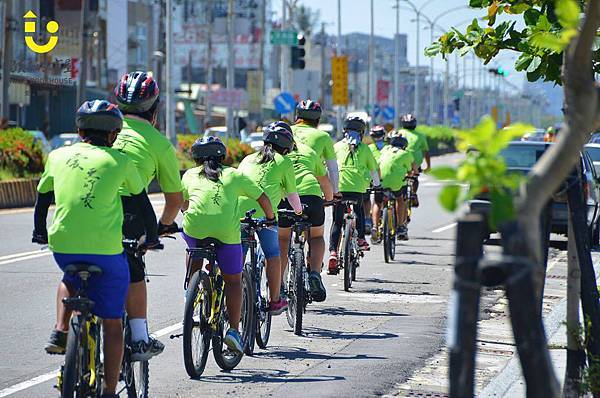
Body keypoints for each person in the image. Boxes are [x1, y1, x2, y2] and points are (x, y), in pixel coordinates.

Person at [32, 100, 159, 398]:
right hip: (106, 251)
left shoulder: (58, 156)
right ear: (114, 134)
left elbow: (41, 201)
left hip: (63, 245)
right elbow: (143, 206)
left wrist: (40, 232)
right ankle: (109, 390)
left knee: (69, 277)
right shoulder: (120, 161)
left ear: (78, 130)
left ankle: (61, 330)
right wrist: (151, 238)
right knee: (113, 321)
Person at [112, 71, 184, 360]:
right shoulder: (159, 143)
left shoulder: (104, 129)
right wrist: (164, 225)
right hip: (131, 214)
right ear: (155, 111)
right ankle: (140, 337)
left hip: (87, 208)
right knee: (134, 270)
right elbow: (175, 199)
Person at [181, 136, 275, 353]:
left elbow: (182, 201)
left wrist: (189, 212)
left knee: (193, 247)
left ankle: (191, 291)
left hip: (195, 230)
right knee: (232, 281)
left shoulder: (189, 175)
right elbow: (262, 198)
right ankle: (233, 331)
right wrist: (271, 219)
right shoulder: (233, 174)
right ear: (222, 156)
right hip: (226, 234)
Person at [238, 121, 302, 314]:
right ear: (286, 146)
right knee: (273, 254)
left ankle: (232, 291)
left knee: (237, 256)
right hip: (265, 216)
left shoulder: (248, 159)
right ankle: (275, 301)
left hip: (238, 213)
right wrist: (299, 211)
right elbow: (292, 196)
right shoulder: (284, 162)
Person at [278, 123, 334, 302]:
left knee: (283, 239)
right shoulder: (308, 151)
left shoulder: (273, 154)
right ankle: (315, 273)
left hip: (285, 197)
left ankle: (278, 284)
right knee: (316, 237)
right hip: (312, 196)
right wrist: (329, 198)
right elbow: (324, 180)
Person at [328, 116, 380, 274]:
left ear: (344, 131)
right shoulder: (365, 148)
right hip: (358, 189)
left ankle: (333, 253)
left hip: (338, 188)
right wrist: (377, 185)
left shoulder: (336, 146)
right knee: (359, 211)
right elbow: (373, 171)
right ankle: (360, 239)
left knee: (337, 220)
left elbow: (328, 167)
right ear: (362, 132)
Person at [292, 100, 340, 194]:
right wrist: (335, 191)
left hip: (283, 190)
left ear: (297, 116)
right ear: (318, 120)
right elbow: (332, 168)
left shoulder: (286, 131)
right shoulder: (323, 136)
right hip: (310, 189)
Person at [378, 131, 417, 240]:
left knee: (380, 200)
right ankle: (400, 226)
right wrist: (410, 175)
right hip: (397, 183)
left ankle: (378, 225)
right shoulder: (406, 153)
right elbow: (411, 171)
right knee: (400, 200)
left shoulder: (385, 150)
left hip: (381, 180)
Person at [399, 114, 430, 208]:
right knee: (415, 178)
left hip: (401, 161)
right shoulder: (420, 136)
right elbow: (426, 152)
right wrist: (428, 166)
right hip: (415, 163)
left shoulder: (398, 133)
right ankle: (413, 193)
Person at [366, 125, 387, 241]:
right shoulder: (389, 147)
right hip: (386, 180)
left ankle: (372, 223)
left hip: (370, 179)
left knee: (370, 200)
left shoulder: (368, 148)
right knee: (378, 202)